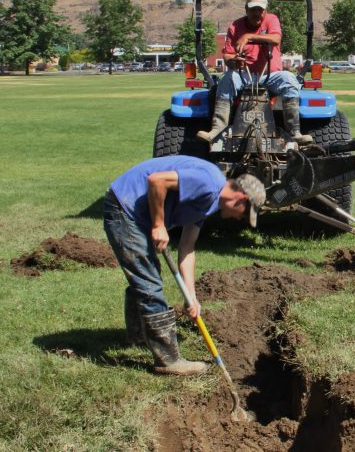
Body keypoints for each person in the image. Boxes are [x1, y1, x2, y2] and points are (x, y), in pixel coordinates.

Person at [103, 155, 266, 375]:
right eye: (245, 214)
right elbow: (156, 180)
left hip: (134, 213)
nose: (240, 219)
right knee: (149, 282)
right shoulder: (209, 183)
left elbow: (187, 247)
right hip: (125, 207)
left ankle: (138, 337)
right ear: (241, 198)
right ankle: (168, 360)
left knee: (147, 275)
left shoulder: (210, 203)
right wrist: (159, 225)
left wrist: (191, 296)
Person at [196, 0, 313, 145]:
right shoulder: (235, 26)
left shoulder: (271, 20)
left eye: (260, 10)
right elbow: (228, 55)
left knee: (290, 80)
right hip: (244, 74)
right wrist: (234, 62)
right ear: (246, 9)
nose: (257, 13)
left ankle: (294, 132)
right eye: (253, 9)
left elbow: (275, 38)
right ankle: (217, 130)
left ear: (265, 10)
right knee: (227, 79)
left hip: (271, 75)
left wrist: (248, 36)